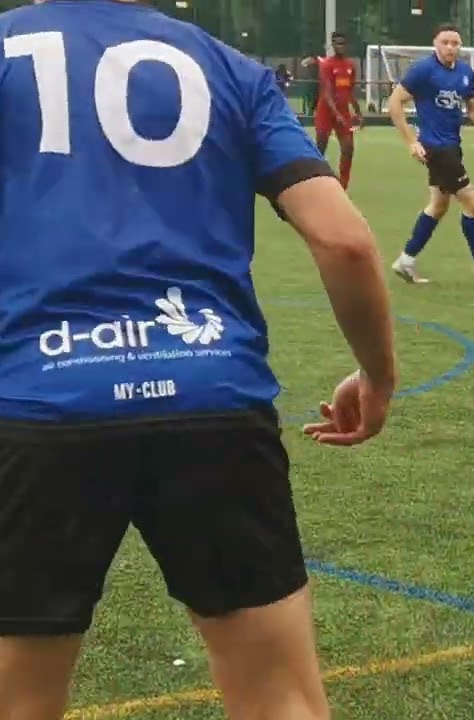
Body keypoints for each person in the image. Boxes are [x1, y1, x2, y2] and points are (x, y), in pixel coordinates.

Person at [0, 2, 398, 718]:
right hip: (211, 393)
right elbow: (345, 240)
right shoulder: (227, 66)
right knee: (280, 698)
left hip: (39, 402)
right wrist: (378, 376)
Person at [388, 23, 474, 288]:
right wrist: (411, 142)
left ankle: (406, 260)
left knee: (439, 206)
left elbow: (472, 106)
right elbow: (395, 103)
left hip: (452, 146)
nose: (450, 47)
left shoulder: (465, 72)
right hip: (436, 149)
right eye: (445, 42)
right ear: (435, 44)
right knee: (471, 203)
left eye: (455, 43)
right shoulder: (423, 71)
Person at [315, 30, 362, 189]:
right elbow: (327, 93)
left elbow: (351, 91)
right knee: (320, 146)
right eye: (337, 43)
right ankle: (315, 179)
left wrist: (358, 112)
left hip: (343, 111)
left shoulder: (350, 66)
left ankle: (343, 185)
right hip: (326, 111)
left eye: (343, 43)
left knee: (348, 147)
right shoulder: (327, 65)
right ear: (333, 45)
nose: (340, 46)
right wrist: (336, 114)